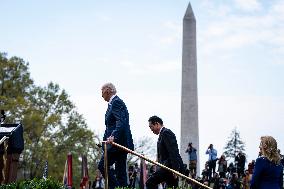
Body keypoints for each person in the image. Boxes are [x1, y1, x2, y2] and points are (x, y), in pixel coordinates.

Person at [97, 82, 134, 189]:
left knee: (103, 166)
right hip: (117, 143)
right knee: (120, 172)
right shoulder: (113, 104)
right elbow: (110, 125)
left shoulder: (116, 102)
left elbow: (121, 121)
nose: (102, 95)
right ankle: (121, 187)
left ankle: (116, 187)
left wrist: (113, 135)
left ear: (108, 90)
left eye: (102, 92)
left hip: (117, 144)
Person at [145, 115, 184, 189]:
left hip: (169, 167)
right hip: (166, 167)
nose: (151, 129)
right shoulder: (162, 134)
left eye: (151, 127)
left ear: (157, 124)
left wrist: (175, 169)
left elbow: (173, 152)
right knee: (172, 187)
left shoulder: (166, 133)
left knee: (150, 182)